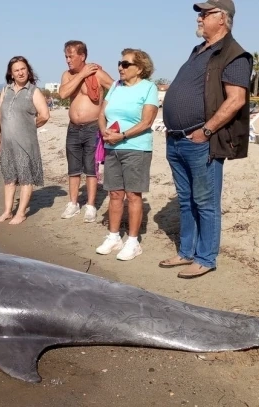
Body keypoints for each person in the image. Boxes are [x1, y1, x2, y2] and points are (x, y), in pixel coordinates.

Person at [158, 0, 253, 278]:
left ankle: (206, 257)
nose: (199, 18)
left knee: (206, 202)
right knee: (186, 200)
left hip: (201, 140)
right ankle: (186, 252)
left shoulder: (233, 54)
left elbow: (236, 100)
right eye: (199, 13)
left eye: (205, 13)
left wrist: (206, 131)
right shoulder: (199, 51)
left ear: (222, 18)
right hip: (177, 139)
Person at [95, 49, 159, 261]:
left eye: (125, 64)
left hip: (136, 147)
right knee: (115, 194)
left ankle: (133, 241)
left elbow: (146, 122)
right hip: (112, 147)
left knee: (133, 194)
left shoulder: (148, 88)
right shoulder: (114, 86)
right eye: (119, 63)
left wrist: (121, 136)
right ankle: (114, 237)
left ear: (139, 68)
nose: (120, 68)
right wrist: (104, 131)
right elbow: (102, 113)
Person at [58, 40, 115, 222]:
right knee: (73, 168)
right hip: (73, 128)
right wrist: (81, 74)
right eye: (66, 56)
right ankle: (73, 204)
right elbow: (63, 93)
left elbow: (115, 88)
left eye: (71, 56)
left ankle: (90, 205)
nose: (67, 60)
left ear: (82, 56)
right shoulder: (67, 75)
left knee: (91, 169)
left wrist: (108, 114)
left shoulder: (96, 73)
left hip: (92, 128)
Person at [0, 56, 50, 224]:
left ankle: (21, 213)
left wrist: (30, 125)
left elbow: (45, 115)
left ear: (28, 70)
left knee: (26, 177)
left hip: (26, 143)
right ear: (11, 73)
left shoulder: (33, 91)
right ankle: (7, 211)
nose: (20, 72)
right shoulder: (6, 90)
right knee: (9, 178)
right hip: (7, 143)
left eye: (23, 69)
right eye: (16, 70)